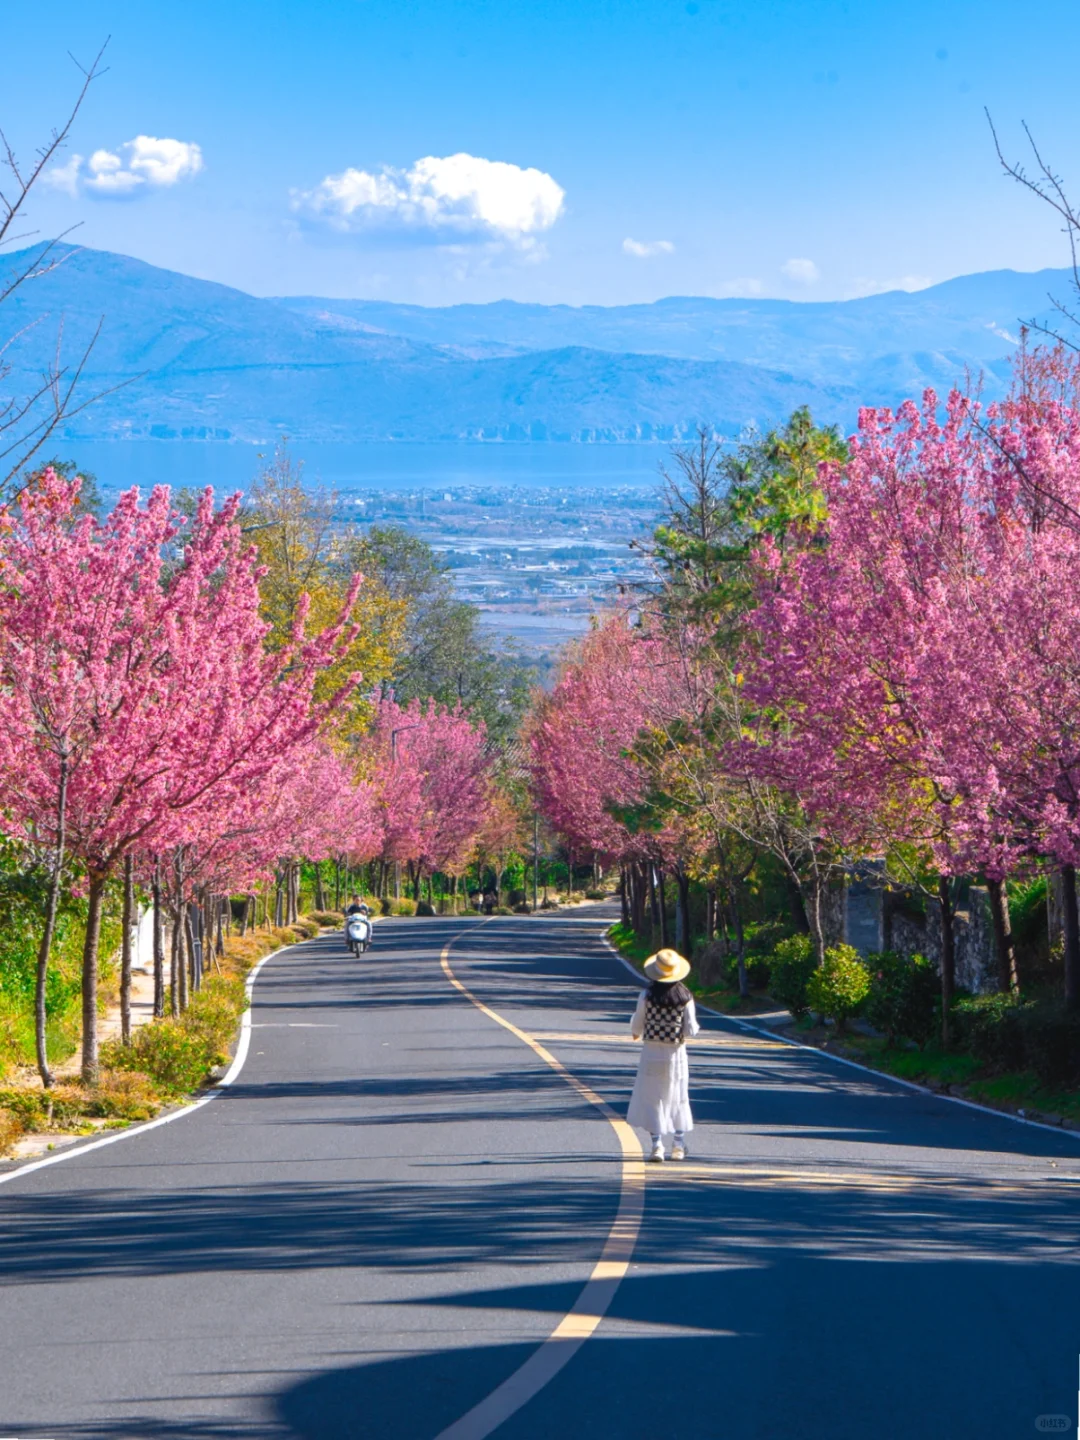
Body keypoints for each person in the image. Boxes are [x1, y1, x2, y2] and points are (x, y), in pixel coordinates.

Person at [627, 948, 700, 1163]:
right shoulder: (685, 997)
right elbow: (690, 1029)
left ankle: (656, 1145)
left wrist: (637, 1031)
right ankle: (678, 1145)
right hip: (676, 1054)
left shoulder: (646, 996)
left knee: (652, 1098)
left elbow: (638, 1025)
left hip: (651, 1053)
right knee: (678, 1096)